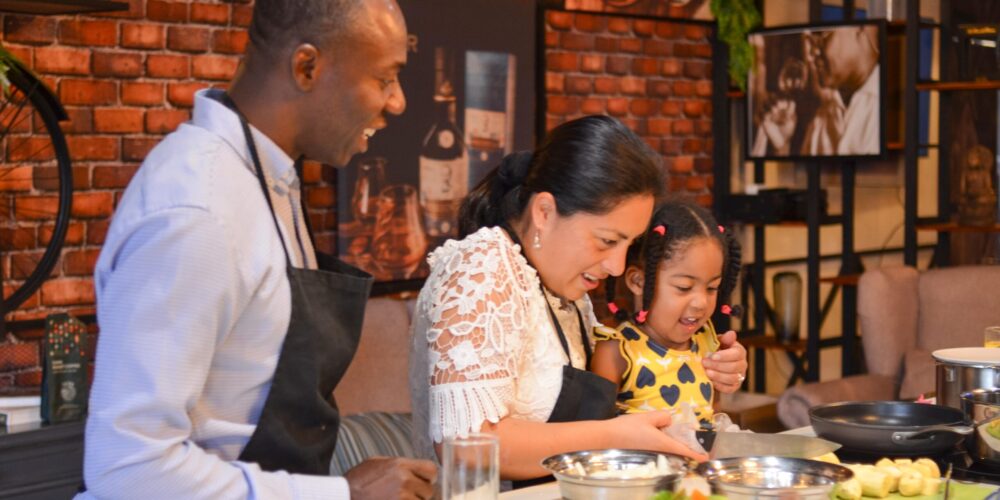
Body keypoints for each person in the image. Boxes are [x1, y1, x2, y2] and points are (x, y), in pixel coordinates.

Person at [81, 1, 437, 499]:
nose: (397, 102)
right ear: (306, 67)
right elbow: (129, 470)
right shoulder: (198, 210)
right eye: (384, 78)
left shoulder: (268, 182)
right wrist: (342, 494)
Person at [408, 115, 749, 482]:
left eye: (628, 245)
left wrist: (710, 366)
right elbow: (466, 444)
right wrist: (615, 436)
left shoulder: (562, 287)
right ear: (544, 212)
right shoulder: (482, 268)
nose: (617, 266)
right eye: (606, 241)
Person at [591, 202, 742, 429]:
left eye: (712, 288)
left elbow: (711, 420)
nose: (701, 303)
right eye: (683, 287)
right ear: (638, 281)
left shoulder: (708, 344)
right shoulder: (617, 352)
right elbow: (596, 433)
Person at [752, 25, 880, 156]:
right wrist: (782, 146)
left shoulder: (889, 107)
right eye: (810, 41)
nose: (811, 55)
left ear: (863, 29)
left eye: (820, 36)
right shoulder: (821, 119)